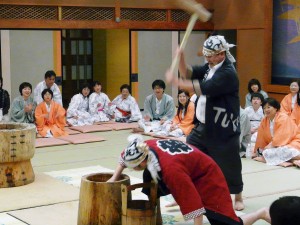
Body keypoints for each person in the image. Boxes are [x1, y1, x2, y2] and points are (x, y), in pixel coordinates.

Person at [108, 134, 271, 225]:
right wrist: (114, 178)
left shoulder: (171, 170)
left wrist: (181, 198)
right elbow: (125, 157)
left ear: (143, 161)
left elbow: (193, 203)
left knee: (228, 224)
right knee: (150, 176)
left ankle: (260, 213)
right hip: (187, 169)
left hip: (207, 177)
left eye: (135, 167)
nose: (133, 170)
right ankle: (160, 205)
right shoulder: (143, 147)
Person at [165, 34, 244, 210]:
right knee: (187, 156)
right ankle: (187, 194)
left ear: (221, 54)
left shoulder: (228, 73)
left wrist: (176, 81)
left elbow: (201, 88)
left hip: (223, 127)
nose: (206, 58)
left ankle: (237, 195)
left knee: (229, 163)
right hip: (202, 126)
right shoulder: (210, 67)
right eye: (206, 55)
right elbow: (189, 73)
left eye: (210, 55)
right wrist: (181, 58)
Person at [254, 98, 300, 167]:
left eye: (269, 107)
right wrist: (258, 149)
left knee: (285, 150)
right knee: (266, 152)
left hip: (292, 142)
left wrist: (271, 145)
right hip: (276, 146)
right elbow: (261, 136)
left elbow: (283, 136)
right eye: (264, 108)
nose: (266, 110)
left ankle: (291, 159)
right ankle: (292, 160)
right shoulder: (264, 120)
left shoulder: (283, 117)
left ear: (275, 108)